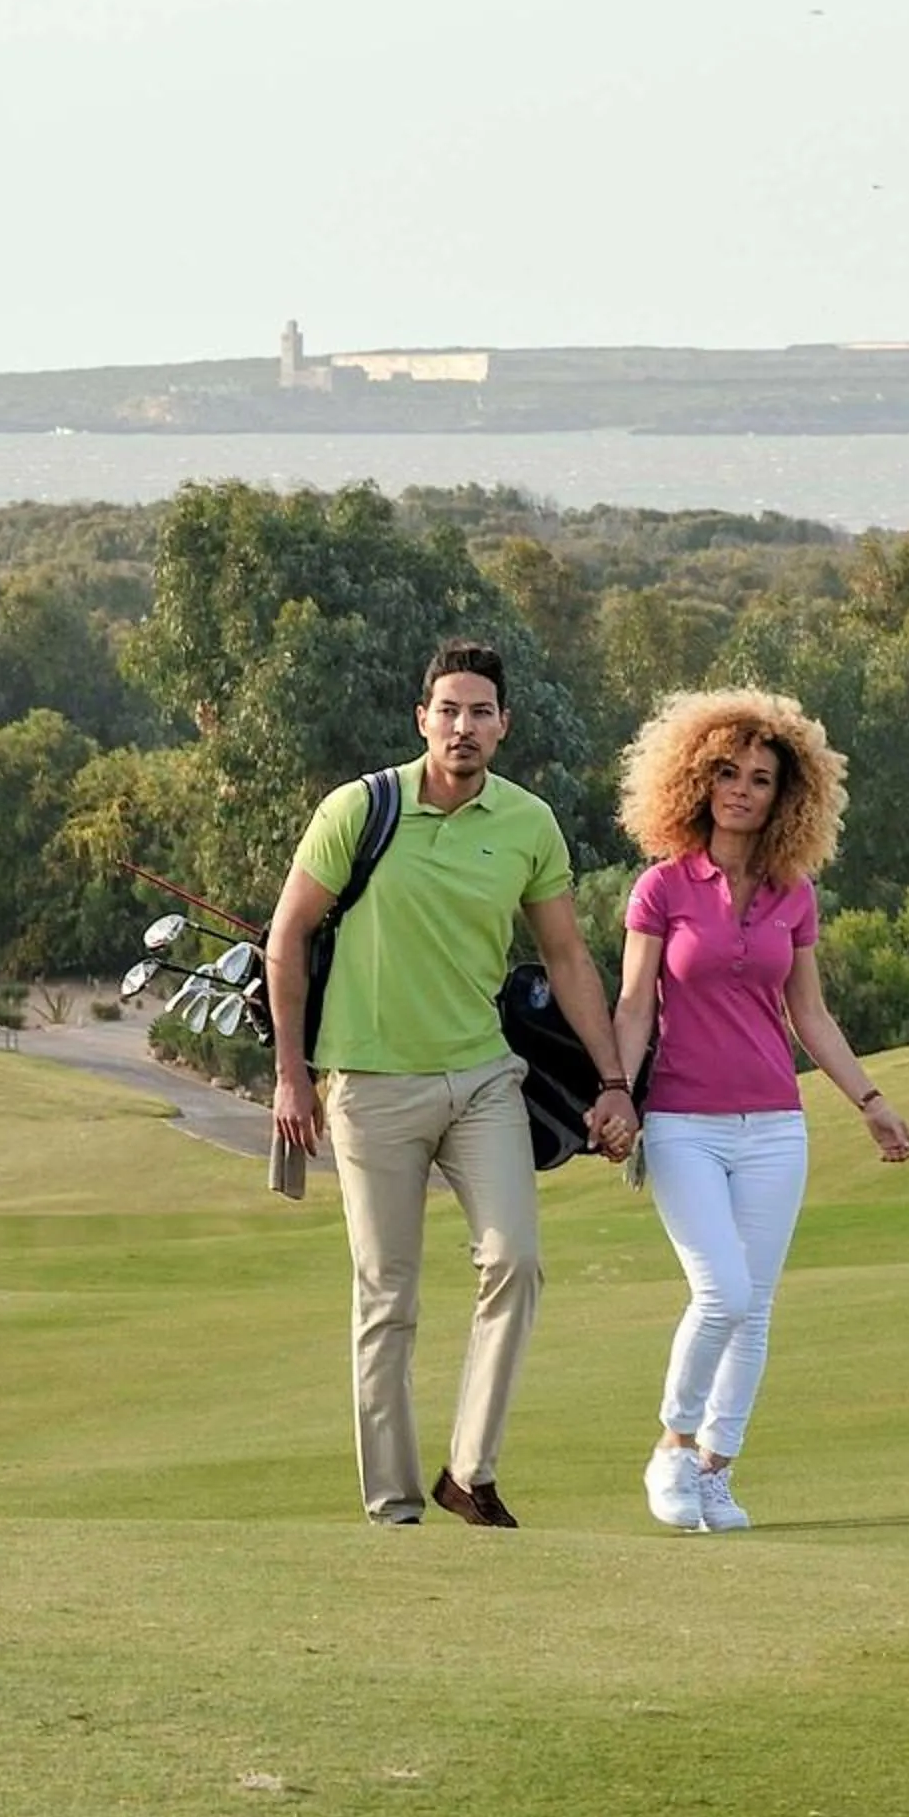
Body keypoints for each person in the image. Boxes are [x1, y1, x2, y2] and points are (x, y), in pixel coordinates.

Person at [265, 638, 640, 1528]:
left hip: (481, 1078)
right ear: (422, 720)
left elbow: (566, 956)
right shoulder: (359, 810)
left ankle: (471, 1474)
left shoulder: (529, 824)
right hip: (370, 1087)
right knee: (387, 1298)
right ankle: (394, 1509)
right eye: (448, 710)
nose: (463, 726)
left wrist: (615, 1080)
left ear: (503, 725)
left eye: (480, 712)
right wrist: (291, 1075)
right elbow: (288, 938)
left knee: (516, 1260)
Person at [608, 688, 909, 1533]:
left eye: (760, 779)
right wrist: (616, 1094)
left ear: (787, 797)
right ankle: (672, 1448)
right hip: (684, 1123)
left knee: (757, 1308)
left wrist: (871, 1103)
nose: (741, 791)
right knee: (723, 1293)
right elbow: (632, 1007)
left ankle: (716, 1470)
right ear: (696, 780)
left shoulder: (794, 895)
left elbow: (809, 1014)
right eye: (727, 774)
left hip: (776, 1125)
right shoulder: (662, 887)